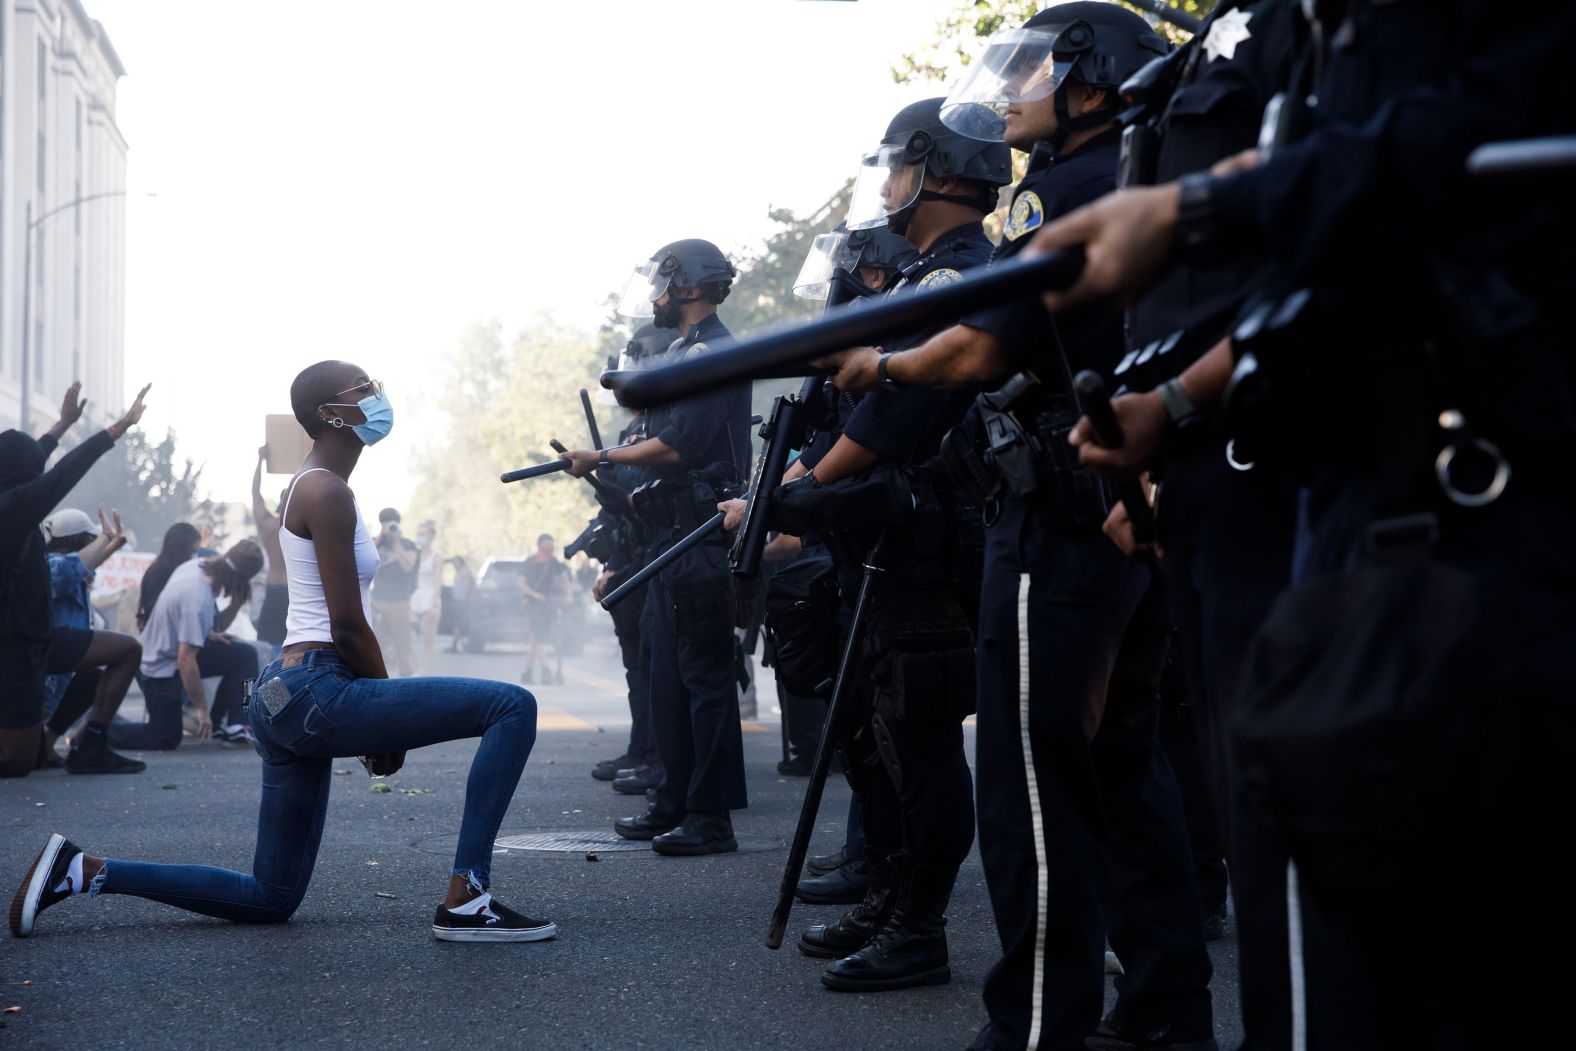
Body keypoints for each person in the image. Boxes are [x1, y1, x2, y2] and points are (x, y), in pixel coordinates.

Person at [1021, 4, 1576, 1045]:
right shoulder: (1308, 30)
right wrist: (1174, 410)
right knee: (1343, 911)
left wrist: (1205, 213)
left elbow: (1488, 148)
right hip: (1360, 501)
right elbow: (1327, 282)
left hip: (1504, 509)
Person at [821, 6, 1215, 1048]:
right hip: (1108, 513)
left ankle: (1038, 1025)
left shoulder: (1066, 189)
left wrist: (886, 364)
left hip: (1056, 515)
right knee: (1124, 768)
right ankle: (1166, 1010)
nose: (1010, 93)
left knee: (1033, 786)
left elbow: (981, 350)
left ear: (1089, 84)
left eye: (1034, 71)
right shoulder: (1128, 178)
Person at [12, 360, 554, 944]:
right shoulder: (325, 489)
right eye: (363, 388)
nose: (378, 394)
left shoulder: (315, 484)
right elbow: (347, 626)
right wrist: (384, 730)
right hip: (317, 686)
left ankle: (83, 871)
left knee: (270, 896)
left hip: (286, 692)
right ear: (330, 414)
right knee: (512, 706)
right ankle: (468, 896)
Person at [732, 95, 1012, 993]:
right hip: (890, 538)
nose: (886, 183)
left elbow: (896, 415)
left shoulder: (957, 275)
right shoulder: (936, 274)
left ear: (933, 167)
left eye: (896, 164)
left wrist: (800, 490)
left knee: (922, 736)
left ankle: (919, 925)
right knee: (886, 732)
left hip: (931, 539)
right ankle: (894, 897)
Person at [562, 238, 751, 856]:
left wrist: (603, 456)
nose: (655, 297)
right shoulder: (684, 350)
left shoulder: (712, 352)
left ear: (689, 286)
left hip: (702, 531)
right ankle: (672, 800)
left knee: (704, 679)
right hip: (675, 532)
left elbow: (679, 447)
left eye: (661, 284)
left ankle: (709, 816)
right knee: (669, 675)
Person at [0, 382, 152, 779]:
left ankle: (91, 745)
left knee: (124, 651)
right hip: (13, 653)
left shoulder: (12, 495)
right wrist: (115, 430)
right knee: (18, 763)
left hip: (41, 641)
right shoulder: (10, 508)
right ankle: (36, 745)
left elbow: (35, 457)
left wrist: (63, 425)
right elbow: (61, 475)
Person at [111, 539, 266, 750]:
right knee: (164, 737)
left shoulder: (197, 567)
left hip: (175, 653)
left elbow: (215, 624)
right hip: (158, 666)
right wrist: (201, 709)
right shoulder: (197, 599)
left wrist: (212, 628)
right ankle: (100, 730)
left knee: (244, 654)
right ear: (239, 579)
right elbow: (186, 661)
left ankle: (238, 724)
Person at [37, 507, 146, 774]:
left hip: (55, 668)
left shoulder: (68, 567)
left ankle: (48, 742)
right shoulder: (50, 566)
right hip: (41, 668)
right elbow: (68, 570)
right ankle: (87, 747)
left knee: (94, 675)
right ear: (76, 542)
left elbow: (83, 567)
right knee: (128, 650)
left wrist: (111, 544)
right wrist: (105, 539)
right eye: (91, 538)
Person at [251, 446, 291, 658]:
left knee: (268, 647)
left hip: (276, 587)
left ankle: (268, 688)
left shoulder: (269, 525)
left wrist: (260, 461)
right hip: (294, 590)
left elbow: (256, 495)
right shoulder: (307, 528)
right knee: (291, 646)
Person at [370, 507, 418, 677]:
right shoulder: (373, 543)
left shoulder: (408, 544)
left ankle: (407, 677)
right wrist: (380, 539)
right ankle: (378, 678)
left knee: (402, 645)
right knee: (376, 644)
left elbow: (408, 567)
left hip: (400, 602)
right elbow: (362, 561)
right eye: (385, 523)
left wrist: (396, 542)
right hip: (378, 602)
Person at [517, 534, 569, 686]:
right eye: (546, 547)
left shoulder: (553, 562)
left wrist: (569, 595)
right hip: (531, 604)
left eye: (551, 547)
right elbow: (520, 583)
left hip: (546, 605)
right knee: (537, 637)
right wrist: (535, 595)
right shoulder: (530, 562)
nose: (549, 550)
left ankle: (527, 673)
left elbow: (564, 580)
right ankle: (546, 669)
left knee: (535, 639)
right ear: (539, 546)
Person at [135, 522, 203, 633]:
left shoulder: (178, 572)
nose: (194, 557)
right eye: (193, 552)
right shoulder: (159, 574)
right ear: (181, 549)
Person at [411, 519, 444, 676]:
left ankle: (430, 674)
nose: (420, 537)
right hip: (414, 598)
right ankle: (415, 670)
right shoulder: (414, 555)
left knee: (428, 640)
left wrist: (433, 604)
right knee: (409, 638)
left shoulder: (436, 557)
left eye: (423, 534)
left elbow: (438, 580)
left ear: (431, 536)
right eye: (418, 534)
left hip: (429, 597)